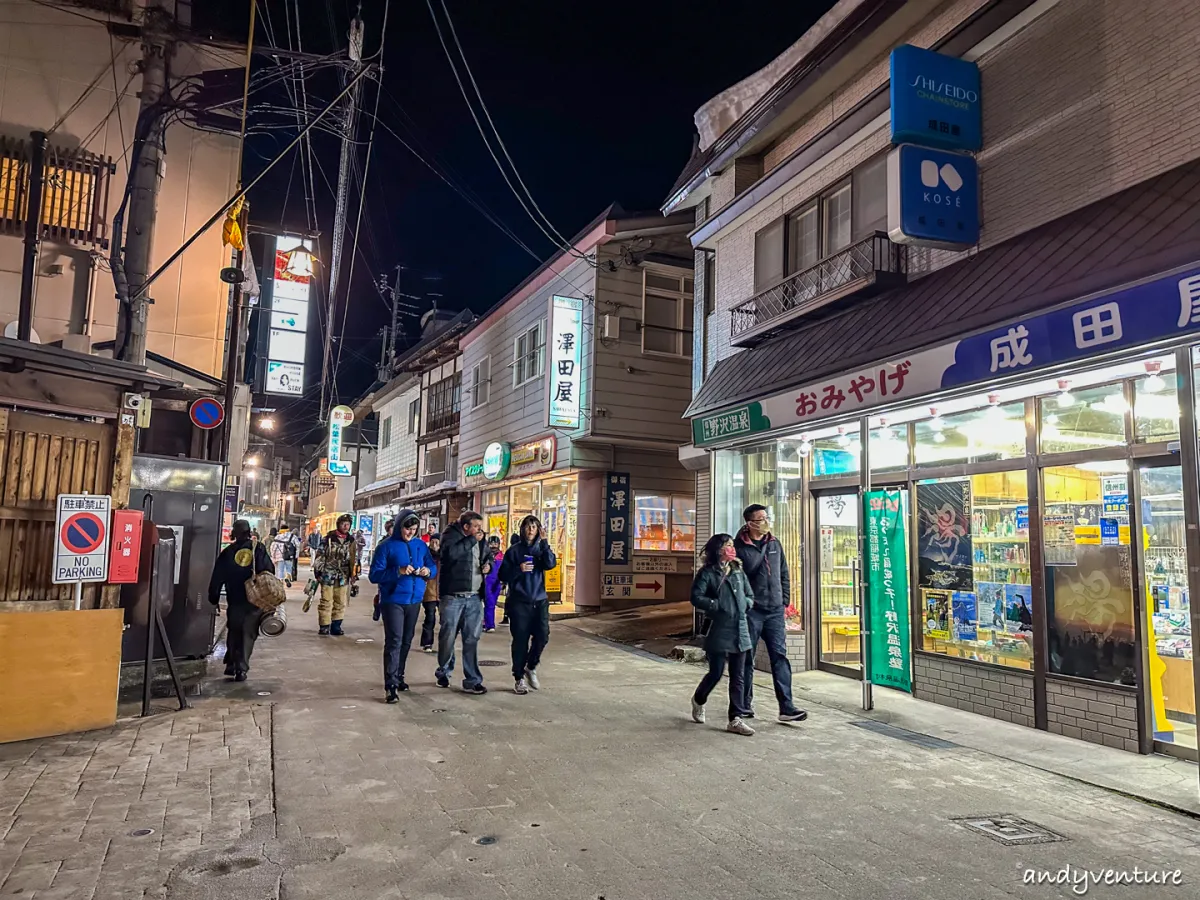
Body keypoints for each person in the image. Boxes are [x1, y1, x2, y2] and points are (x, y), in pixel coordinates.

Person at [736, 504, 808, 724]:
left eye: (767, 517)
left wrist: (784, 600)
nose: (766, 521)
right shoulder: (738, 547)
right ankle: (744, 706)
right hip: (752, 612)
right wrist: (745, 604)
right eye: (761, 519)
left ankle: (787, 707)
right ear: (750, 523)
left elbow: (783, 572)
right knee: (746, 659)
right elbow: (735, 579)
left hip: (775, 611)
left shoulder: (775, 543)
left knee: (780, 658)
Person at [690, 533, 756, 735]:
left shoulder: (738, 570)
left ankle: (735, 718)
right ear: (718, 549)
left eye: (732, 544)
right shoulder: (707, 573)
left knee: (739, 676)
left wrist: (747, 604)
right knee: (716, 672)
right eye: (727, 545)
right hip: (719, 629)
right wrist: (716, 605)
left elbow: (749, 594)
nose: (732, 548)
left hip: (741, 630)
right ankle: (699, 699)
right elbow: (696, 597)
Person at [370, 509, 437, 703]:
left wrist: (427, 571)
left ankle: (399, 675)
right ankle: (390, 685)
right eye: (408, 529)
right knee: (394, 640)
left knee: (407, 640)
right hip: (393, 600)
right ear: (400, 527)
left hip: (414, 600)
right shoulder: (385, 547)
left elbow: (432, 567)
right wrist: (397, 571)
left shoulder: (420, 546)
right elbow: (375, 575)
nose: (411, 533)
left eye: (414, 530)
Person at [207, 519, 273, 682]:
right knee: (248, 633)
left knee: (234, 630)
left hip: (234, 598)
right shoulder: (258, 549)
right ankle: (241, 668)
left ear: (234, 533)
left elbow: (217, 577)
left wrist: (213, 597)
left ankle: (231, 663)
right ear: (249, 532)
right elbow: (269, 570)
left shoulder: (228, 552)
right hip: (254, 599)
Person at [435, 510, 492, 694]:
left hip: (474, 596)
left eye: (480, 527)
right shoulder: (449, 535)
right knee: (448, 637)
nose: (479, 530)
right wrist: (471, 540)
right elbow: (450, 555)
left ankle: (472, 679)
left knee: (471, 638)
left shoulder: (480, 538)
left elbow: (487, 555)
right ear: (465, 526)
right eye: (475, 526)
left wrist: (488, 564)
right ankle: (443, 671)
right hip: (452, 596)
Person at [499, 516, 557, 694]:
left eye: (534, 526)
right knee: (520, 641)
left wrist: (545, 543)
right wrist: (518, 569)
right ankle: (518, 677)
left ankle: (531, 666)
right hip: (519, 602)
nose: (531, 530)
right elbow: (503, 575)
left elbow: (550, 564)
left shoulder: (541, 548)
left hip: (539, 600)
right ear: (522, 529)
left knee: (543, 635)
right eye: (528, 526)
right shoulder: (514, 551)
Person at [314, 513, 358, 636]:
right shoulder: (328, 538)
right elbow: (320, 555)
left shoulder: (351, 540)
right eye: (343, 524)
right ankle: (324, 625)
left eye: (348, 524)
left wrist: (354, 573)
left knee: (340, 601)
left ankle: (336, 626)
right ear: (338, 524)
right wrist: (318, 571)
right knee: (326, 600)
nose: (345, 526)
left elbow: (354, 558)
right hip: (328, 573)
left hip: (343, 575)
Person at [420, 534, 441, 651]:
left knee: (445, 620)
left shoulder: (446, 555)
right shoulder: (426, 556)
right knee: (430, 618)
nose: (434, 544)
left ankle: (445, 644)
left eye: (437, 542)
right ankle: (427, 643)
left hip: (443, 592)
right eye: (432, 542)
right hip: (429, 591)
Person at [372, 519, 395, 622]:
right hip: (385, 572)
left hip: (397, 572)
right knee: (382, 592)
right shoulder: (382, 543)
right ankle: (378, 608)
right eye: (391, 529)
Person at [482, 535, 503, 633]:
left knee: (492, 604)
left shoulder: (502, 556)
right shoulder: (485, 555)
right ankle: (490, 625)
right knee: (489, 603)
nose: (494, 545)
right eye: (492, 543)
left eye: (495, 543)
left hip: (497, 583)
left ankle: (485, 622)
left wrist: (504, 582)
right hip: (487, 582)